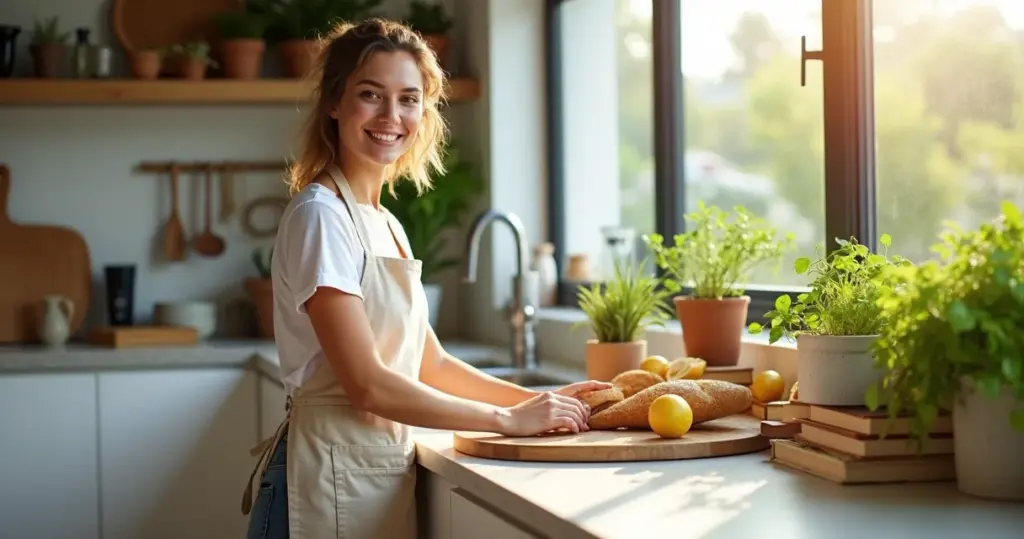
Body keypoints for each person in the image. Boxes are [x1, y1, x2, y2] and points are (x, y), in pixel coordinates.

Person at [240, 18, 611, 539]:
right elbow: (367, 384)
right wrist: (506, 422)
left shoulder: (385, 222)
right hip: (319, 481)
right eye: (372, 95)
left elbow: (427, 362)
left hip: (361, 473)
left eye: (409, 99)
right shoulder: (321, 216)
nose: (392, 116)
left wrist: (528, 402)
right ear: (334, 102)